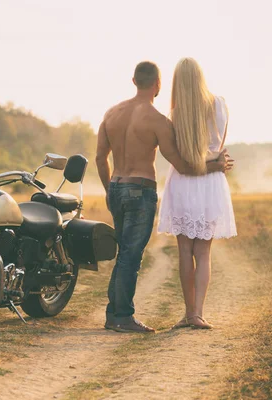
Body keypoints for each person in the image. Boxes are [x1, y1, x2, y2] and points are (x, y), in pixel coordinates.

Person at [96, 61, 233, 333]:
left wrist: (109, 190)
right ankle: (121, 315)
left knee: (124, 252)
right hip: (141, 189)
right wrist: (215, 166)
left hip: (117, 187)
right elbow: (183, 165)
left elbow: (100, 157)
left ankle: (115, 313)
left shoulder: (112, 113)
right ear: (157, 84)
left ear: (133, 81)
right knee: (131, 256)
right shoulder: (158, 120)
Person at [157, 58, 237, 329]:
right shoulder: (219, 105)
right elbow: (220, 147)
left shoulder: (175, 114)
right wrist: (216, 162)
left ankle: (189, 313)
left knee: (184, 250)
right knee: (203, 252)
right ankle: (199, 313)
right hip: (210, 181)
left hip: (183, 182)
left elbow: (181, 158)